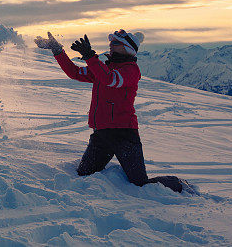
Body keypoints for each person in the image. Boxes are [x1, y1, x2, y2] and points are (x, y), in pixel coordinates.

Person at [35, 29, 190, 193]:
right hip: (101, 135)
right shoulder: (102, 68)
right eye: (110, 42)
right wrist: (57, 50)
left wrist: (90, 57)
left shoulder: (131, 70)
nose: (110, 46)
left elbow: (111, 80)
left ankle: (177, 184)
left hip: (124, 135)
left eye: (115, 43)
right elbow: (74, 72)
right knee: (84, 174)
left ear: (127, 48)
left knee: (139, 183)